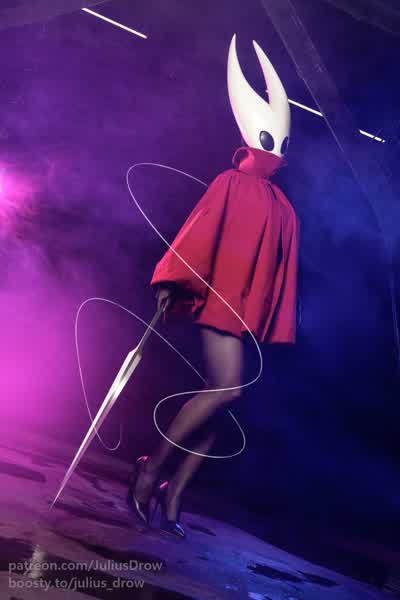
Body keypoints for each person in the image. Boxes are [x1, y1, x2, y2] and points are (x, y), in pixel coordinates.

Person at [127, 34, 300, 538]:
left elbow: (279, 268)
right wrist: (172, 280)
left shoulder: (282, 205)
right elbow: (200, 233)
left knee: (226, 403)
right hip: (218, 302)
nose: (275, 152)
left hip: (246, 313)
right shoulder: (231, 182)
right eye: (267, 141)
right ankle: (150, 470)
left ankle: (173, 495)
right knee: (228, 388)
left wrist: (271, 317)